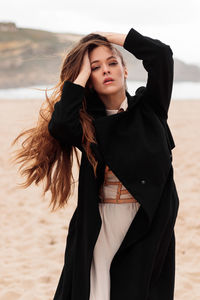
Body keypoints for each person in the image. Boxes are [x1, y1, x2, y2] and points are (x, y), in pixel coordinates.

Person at [11, 27, 179, 300]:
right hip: (100, 223)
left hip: (146, 223)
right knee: (95, 293)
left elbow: (161, 56)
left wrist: (108, 38)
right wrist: (79, 76)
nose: (106, 71)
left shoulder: (151, 108)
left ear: (125, 70)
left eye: (113, 63)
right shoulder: (89, 125)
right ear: (89, 79)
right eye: (96, 68)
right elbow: (61, 125)